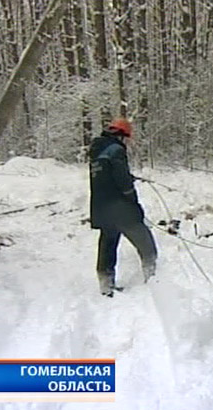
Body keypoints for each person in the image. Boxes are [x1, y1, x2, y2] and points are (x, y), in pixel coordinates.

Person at [89, 118, 157, 297]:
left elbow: (107, 175)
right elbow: (122, 180)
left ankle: (106, 285)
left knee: (107, 245)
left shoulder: (97, 151)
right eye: (126, 138)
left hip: (101, 207)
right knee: (145, 243)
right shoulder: (116, 150)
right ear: (121, 136)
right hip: (120, 207)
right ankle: (155, 281)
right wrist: (132, 199)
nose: (127, 142)